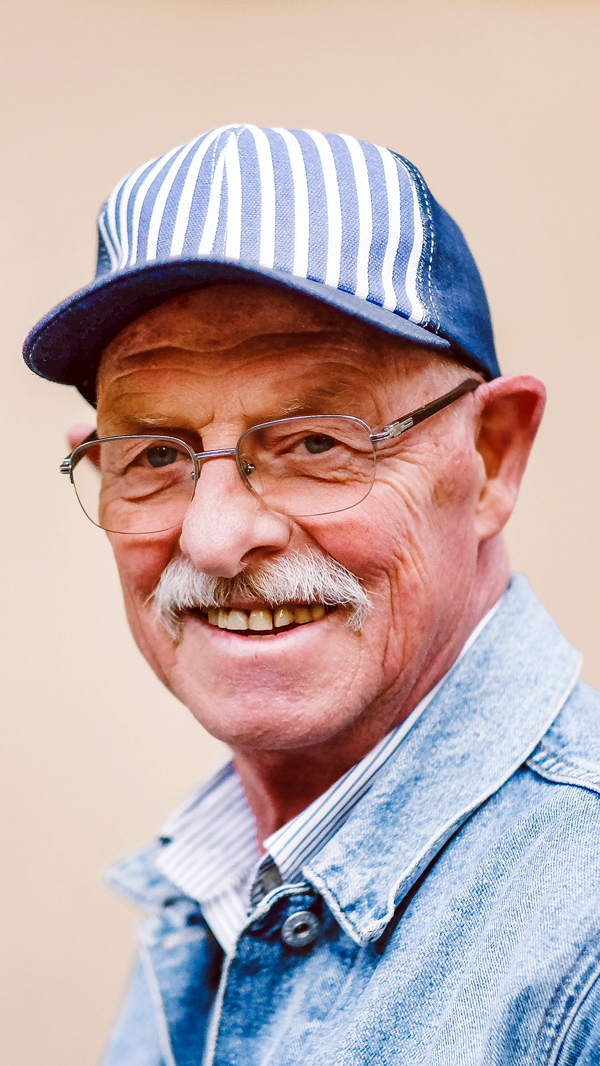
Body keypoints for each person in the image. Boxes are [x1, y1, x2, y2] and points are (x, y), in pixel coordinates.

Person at [24, 124, 600, 1066]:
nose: (213, 538)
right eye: (156, 454)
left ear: (492, 457)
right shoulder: (216, 889)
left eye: (316, 442)